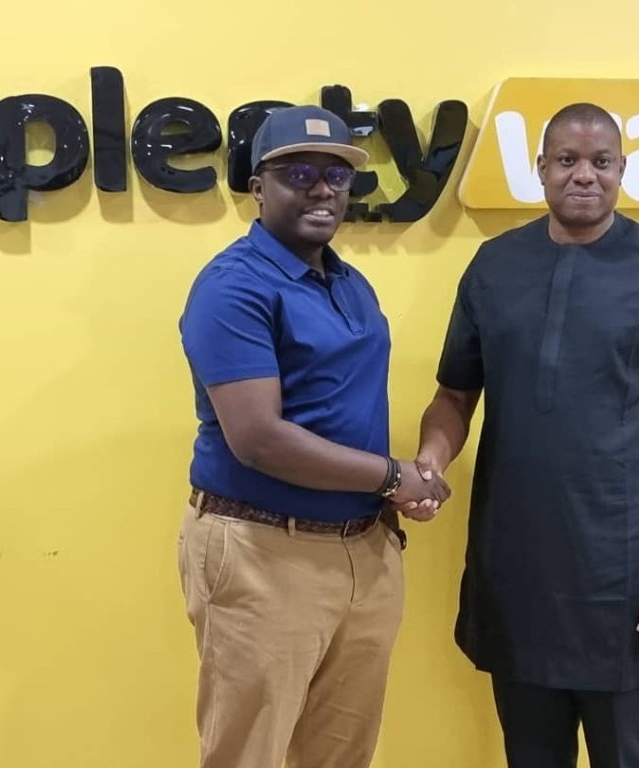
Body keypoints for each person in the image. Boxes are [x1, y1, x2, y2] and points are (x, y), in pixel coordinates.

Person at [406, 102, 639, 768]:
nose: (584, 174)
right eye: (567, 160)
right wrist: (430, 461)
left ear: (622, 169)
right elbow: (454, 396)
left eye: (601, 161)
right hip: (517, 572)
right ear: (541, 169)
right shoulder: (494, 267)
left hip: (626, 581)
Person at [176, 105, 449, 768]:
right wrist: (393, 476)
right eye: (299, 174)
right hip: (263, 552)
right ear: (257, 187)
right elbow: (258, 439)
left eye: (337, 175)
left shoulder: (349, 283)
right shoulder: (232, 287)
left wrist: (392, 494)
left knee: (341, 755)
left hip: (364, 552)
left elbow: (343, 409)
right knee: (248, 754)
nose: (322, 189)